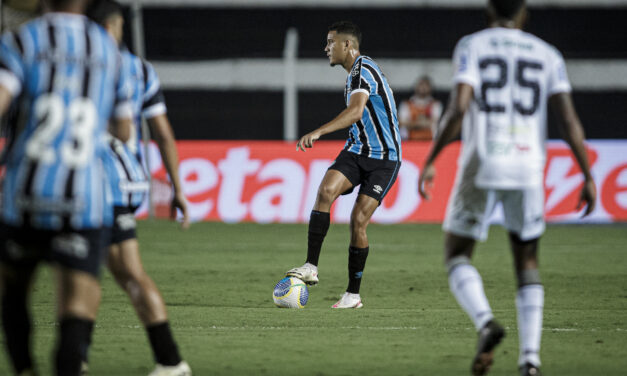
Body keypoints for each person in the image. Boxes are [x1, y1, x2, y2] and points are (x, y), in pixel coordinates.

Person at [418, 1, 596, 375]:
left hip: (482, 160)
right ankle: (530, 360)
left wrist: (432, 158)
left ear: (488, 13)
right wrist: (588, 174)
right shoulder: (548, 54)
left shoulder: (473, 45)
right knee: (527, 261)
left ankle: (485, 322)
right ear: (524, 15)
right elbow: (567, 118)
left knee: (457, 253)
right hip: (528, 165)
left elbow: (459, 107)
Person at [0, 0, 134, 374]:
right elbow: (124, 129)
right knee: (78, 300)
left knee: (13, 291)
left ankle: (24, 368)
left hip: (25, 193)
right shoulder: (109, 49)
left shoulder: (22, 41)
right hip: (83, 198)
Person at [85, 1, 191, 375]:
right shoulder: (140, 69)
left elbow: (127, 129)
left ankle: (74, 359)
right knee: (127, 273)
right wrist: (178, 188)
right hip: (124, 184)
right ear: (118, 26)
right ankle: (170, 361)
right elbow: (162, 134)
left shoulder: (85, 64)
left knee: (79, 272)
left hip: (85, 181)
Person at [286, 21, 402, 309]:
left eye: (330, 43)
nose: (326, 48)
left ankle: (353, 294)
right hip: (357, 150)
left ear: (346, 45)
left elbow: (355, 112)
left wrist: (319, 131)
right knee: (326, 191)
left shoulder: (363, 70)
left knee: (358, 220)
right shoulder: (353, 74)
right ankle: (311, 266)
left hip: (384, 159)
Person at [398, 75, 442, 140]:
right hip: (409, 141)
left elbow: (436, 122)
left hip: (430, 141)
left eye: (426, 85)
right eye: (421, 84)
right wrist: (421, 123)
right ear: (416, 86)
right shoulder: (406, 104)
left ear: (430, 88)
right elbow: (401, 123)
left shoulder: (436, 104)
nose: (423, 87)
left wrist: (412, 123)